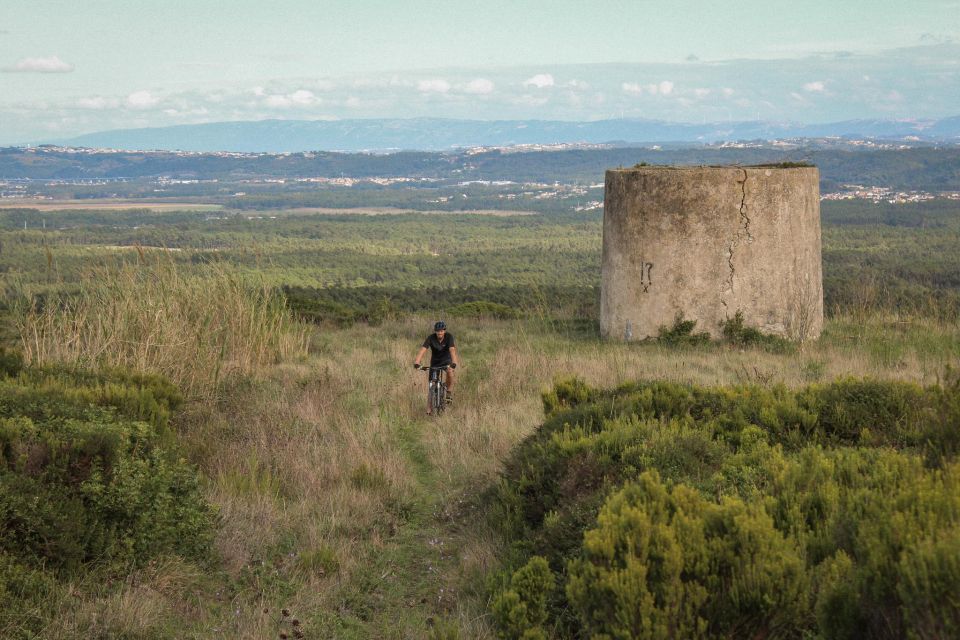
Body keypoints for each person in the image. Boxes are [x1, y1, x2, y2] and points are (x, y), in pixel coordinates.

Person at [413, 320, 461, 414]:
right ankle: (429, 409)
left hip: (446, 360)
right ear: (435, 331)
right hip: (435, 362)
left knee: (450, 372)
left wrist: (454, 362)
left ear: (444, 331)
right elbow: (423, 350)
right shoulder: (431, 338)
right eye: (438, 331)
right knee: (432, 384)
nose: (440, 332)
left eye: (442, 330)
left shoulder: (449, 337)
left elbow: (452, 350)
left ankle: (449, 392)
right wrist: (417, 362)